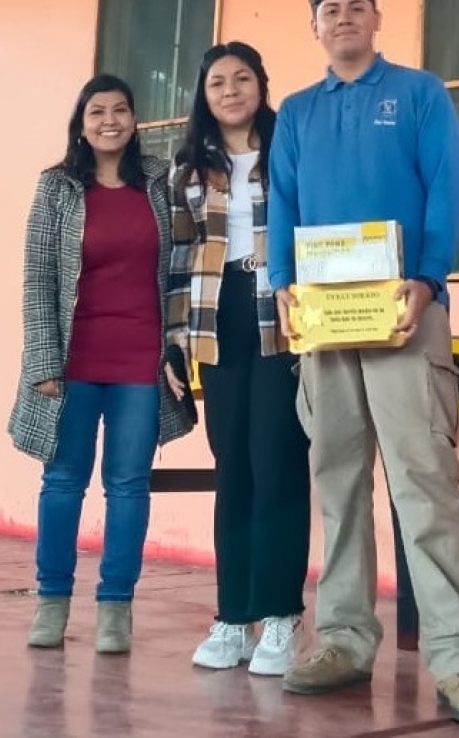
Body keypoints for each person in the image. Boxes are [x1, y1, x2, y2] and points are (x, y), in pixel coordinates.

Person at [266, 0, 459, 727]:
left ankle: (458, 658)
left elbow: (450, 189)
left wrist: (428, 281)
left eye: (354, 7)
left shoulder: (420, 94)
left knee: (423, 483)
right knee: (335, 482)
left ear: (376, 18)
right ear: (315, 27)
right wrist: (283, 288)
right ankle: (341, 639)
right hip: (325, 320)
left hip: (406, 311)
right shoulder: (298, 114)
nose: (342, 19)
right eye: (328, 10)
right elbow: (284, 207)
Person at [8, 74, 193, 654]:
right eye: (97, 112)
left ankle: (116, 607)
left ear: (135, 120)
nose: (109, 120)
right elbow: (38, 279)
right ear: (81, 124)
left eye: (120, 110)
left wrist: (176, 349)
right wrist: (41, 357)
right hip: (71, 360)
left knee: (129, 486)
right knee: (62, 481)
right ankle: (52, 601)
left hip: (140, 360)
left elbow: (182, 268)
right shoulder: (57, 187)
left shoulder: (160, 184)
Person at [164, 41, 311, 676]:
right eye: (217, 81)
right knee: (235, 468)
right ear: (204, 93)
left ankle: (280, 615)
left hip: (281, 316)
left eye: (242, 78)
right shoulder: (188, 166)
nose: (230, 90)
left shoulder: (292, 149)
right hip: (216, 323)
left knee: (277, 460)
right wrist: (172, 339)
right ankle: (232, 616)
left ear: (261, 84)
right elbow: (176, 256)